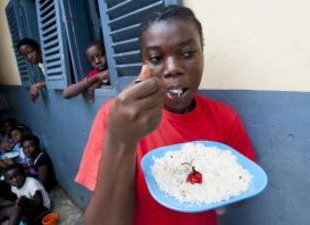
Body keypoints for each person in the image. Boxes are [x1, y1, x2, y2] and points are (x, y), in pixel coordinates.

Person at [75, 5, 256, 225]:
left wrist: (228, 195)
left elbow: (242, 186)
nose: (172, 68)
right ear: (144, 65)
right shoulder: (114, 119)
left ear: (202, 53)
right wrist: (121, 141)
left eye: (187, 53)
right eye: (156, 58)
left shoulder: (225, 118)